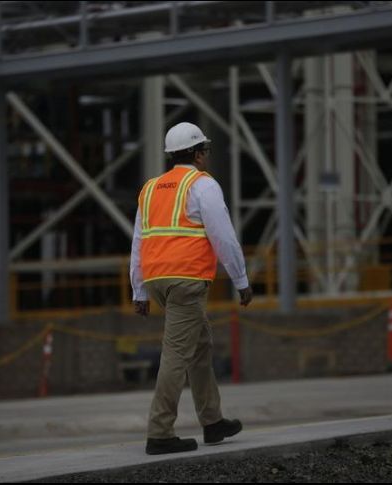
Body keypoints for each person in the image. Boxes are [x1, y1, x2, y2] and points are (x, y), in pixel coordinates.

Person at [130, 122, 253, 455]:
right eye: (206, 151)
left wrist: (139, 290)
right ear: (198, 154)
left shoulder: (151, 188)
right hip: (186, 281)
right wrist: (240, 279)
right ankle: (159, 432)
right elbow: (223, 236)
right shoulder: (202, 185)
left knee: (200, 346)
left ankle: (212, 422)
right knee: (176, 355)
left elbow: (139, 241)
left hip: (157, 281)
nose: (207, 156)